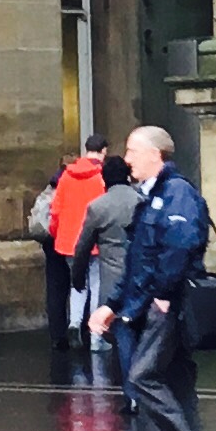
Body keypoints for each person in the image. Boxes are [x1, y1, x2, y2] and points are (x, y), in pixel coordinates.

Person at [90, 123, 213, 431]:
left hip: (170, 305)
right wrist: (114, 304)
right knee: (175, 380)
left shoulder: (175, 193)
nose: (126, 159)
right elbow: (138, 264)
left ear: (155, 155)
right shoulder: (152, 196)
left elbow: (181, 243)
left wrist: (161, 293)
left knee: (142, 377)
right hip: (157, 302)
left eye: (132, 151)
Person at [37, 132, 112, 343]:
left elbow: (56, 210)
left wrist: (56, 233)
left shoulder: (67, 176)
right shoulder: (101, 177)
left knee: (77, 282)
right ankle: (96, 333)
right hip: (95, 240)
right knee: (96, 282)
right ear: (103, 151)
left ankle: (75, 322)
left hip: (69, 241)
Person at [74, 161, 143, 377]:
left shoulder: (98, 207)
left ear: (104, 179)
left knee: (121, 335)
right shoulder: (142, 201)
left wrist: (77, 277)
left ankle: (130, 390)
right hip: (141, 278)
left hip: (113, 281)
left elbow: (83, 247)